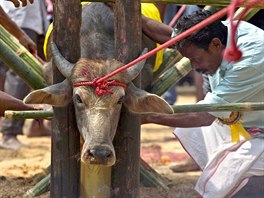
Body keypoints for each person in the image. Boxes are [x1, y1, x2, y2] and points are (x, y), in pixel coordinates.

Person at [141, 10, 264, 197]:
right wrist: (133, 15)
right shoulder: (222, 33)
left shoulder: (250, 58)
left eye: (195, 59)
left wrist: (143, 115)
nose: (194, 66)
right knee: (198, 134)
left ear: (215, 45)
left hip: (257, 130)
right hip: (250, 124)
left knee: (215, 186)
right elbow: (168, 36)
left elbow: (203, 115)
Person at [0, 0, 50, 150]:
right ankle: (9, 132)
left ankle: (36, 127)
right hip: (22, 19)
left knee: (43, 73)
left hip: (37, 22)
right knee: (19, 73)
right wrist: (33, 110)